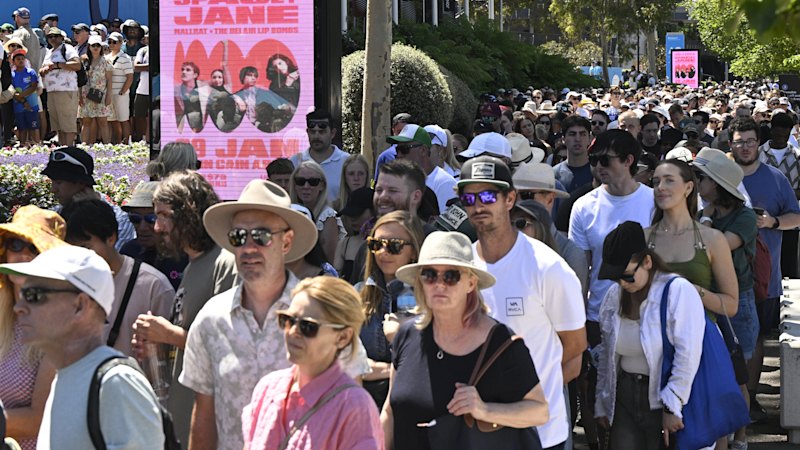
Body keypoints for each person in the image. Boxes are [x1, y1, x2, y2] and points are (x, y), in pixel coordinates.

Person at [178, 179, 365, 450]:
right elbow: (204, 416)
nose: (249, 247)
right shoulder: (210, 319)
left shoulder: (324, 316)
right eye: (238, 237)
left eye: (262, 236)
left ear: (287, 241)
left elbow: (354, 417)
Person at [460, 156, 587, 450]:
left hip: (538, 434)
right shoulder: (459, 265)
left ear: (510, 199)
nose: (479, 205)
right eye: (469, 197)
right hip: (476, 432)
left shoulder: (548, 267)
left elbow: (575, 346)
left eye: (489, 195)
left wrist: (531, 395)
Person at [382, 231, 549, 449]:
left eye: (451, 276)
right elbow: (390, 412)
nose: (439, 284)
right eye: (430, 275)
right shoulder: (407, 334)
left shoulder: (501, 343)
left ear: (471, 283)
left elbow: (539, 411)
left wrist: (485, 410)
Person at [0, 245, 164, 449]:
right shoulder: (67, 376)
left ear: (80, 305)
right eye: (21, 293)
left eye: (34, 295)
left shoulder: (116, 383)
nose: (19, 307)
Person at [133, 171, 237, 445]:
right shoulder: (193, 265)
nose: (157, 227)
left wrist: (168, 335)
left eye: (164, 216)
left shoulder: (226, 263)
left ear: (189, 212)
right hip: (183, 420)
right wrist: (157, 345)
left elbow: (232, 348)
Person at [594, 221, 704, 450]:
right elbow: (607, 353)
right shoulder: (615, 296)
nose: (623, 283)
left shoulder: (677, 290)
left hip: (662, 396)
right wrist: (602, 403)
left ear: (647, 261)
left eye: (628, 276)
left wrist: (672, 406)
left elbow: (688, 354)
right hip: (623, 394)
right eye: (617, 278)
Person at [242, 276, 383, 449]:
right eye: (288, 320)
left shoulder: (354, 407)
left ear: (343, 337)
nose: (293, 332)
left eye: (308, 327)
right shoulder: (267, 389)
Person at [728, 117, 800, 422]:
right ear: (729, 144)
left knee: (754, 337)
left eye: (750, 141)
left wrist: (772, 222)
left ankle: (751, 397)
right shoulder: (719, 177)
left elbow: (796, 216)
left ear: (760, 143)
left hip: (761, 277)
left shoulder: (775, 178)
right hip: (721, 274)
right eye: (739, 141)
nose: (745, 147)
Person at [694, 147, 758, 449]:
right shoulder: (700, 213)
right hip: (706, 299)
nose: (696, 183)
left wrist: (704, 221)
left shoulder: (745, 217)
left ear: (717, 185)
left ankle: (741, 438)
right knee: (715, 376)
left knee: (737, 377)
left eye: (701, 178)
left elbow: (717, 246)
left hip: (738, 301)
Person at [60, 199, 175, 357]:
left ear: (111, 238)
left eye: (85, 247)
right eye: (69, 249)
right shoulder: (65, 285)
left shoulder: (154, 286)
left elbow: (170, 356)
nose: (77, 257)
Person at [0, 206, 63, 450]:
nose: (24, 254)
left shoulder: (60, 327)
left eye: (35, 247)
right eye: (16, 244)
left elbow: (38, 419)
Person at [645, 159, 739, 317]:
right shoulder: (644, 237)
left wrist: (693, 290)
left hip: (698, 336)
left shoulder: (713, 239)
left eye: (669, 180)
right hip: (652, 335)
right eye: (656, 182)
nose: (660, 187)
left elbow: (731, 306)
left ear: (688, 188)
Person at [356, 211, 423, 407]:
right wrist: (392, 369)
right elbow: (347, 362)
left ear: (413, 251)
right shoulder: (356, 294)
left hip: (412, 407)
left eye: (394, 245)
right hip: (365, 406)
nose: (383, 252)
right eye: (376, 244)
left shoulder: (430, 296)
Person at [40, 146, 135, 250]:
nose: (53, 189)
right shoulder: (54, 216)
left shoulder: (120, 220)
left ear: (81, 183)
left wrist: (96, 211)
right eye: (52, 182)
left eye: (59, 183)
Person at [120, 181, 188, 290]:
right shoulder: (129, 252)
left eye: (151, 219)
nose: (142, 227)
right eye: (135, 218)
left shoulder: (188, 257)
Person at [391, 124, 456, 214]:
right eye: (397, 150)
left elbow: (444, 225)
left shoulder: (445, 183)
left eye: (404, 149)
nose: (399, 155)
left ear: (423, 150)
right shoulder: (400, 180)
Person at [289, 160, 345, 262]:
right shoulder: (289, 212)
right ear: (294, 185)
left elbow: (330, 260)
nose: (306, 187)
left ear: (322, 186)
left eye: (313, 182)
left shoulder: (327, 216)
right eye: (300, 181)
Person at [290, 110, 350, 202]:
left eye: (322, 132)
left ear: (333, 133)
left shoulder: (346, 161)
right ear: (307, 132)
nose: (316, 136)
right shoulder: (295, 162)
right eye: (312, 132)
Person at [39, 27, 81, 146]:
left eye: (55, 36)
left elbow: (77, 65)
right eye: (50, 36)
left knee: (67, 122)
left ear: (61, 37)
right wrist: (43, 71)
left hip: (66, 90)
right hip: (52, 91)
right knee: (58, 123)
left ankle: (69, 148)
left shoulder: (67, 48)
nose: (53, 38)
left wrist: (57, 65)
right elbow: (43, 69)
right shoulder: (49, 52)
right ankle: (63, 148)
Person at [334, 187, 374, 281]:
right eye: (350, 214)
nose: (353, 219)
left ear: (373, 211)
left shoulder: (383, 245)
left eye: (357, 214)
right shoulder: (344, 244)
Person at [79, 35, 112, 145]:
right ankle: (84, 145)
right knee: (86, 121)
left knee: (103, 121)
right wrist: (79, 96)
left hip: (101, 94)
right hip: (86, 95)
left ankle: (107, 146)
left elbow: (109, 81)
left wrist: (109, 96)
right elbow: (80, 80)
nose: (96, 47)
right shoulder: (83, 61)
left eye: (98, 45)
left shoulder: (106, 61)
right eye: (93, 45)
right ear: (89, 46)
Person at [105, 32, 134, 144]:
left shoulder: (125, 57)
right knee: (112, 120)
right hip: (109, 93)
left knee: (123, 119)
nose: (111, 44)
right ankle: (116, 143)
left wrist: (122, 92)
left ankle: (126, 143)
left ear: (121, 43)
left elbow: (130, 77)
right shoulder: (106, 57)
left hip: (120, 94)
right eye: (110, 42)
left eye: (114, 42)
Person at [553, 115, 593, 193]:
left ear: (589, 139)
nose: (578, 139)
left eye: (582, 134)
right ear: (563, 139)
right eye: (572, 134)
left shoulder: (598, 173)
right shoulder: (553, 174)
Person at [9, 49, 40, 146]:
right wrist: (22, 100)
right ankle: (23, 145)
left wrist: (21, 95)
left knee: (33, 127)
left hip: (32, 104)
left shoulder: (31, 72)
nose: (21, 60)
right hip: (18, 106)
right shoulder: (12, 75)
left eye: (23, 58)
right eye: (18, 59)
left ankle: (36, 146)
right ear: (13, 61)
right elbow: (12, 90)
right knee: (21, 128)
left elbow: (34, 86)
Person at [174, 61, 207, 132]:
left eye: (188, 70)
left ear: (195, 75)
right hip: (182, 125)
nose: (184, 72)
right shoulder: (176, 89)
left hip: (201, 125)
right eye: (182, 70)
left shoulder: (203, 88)